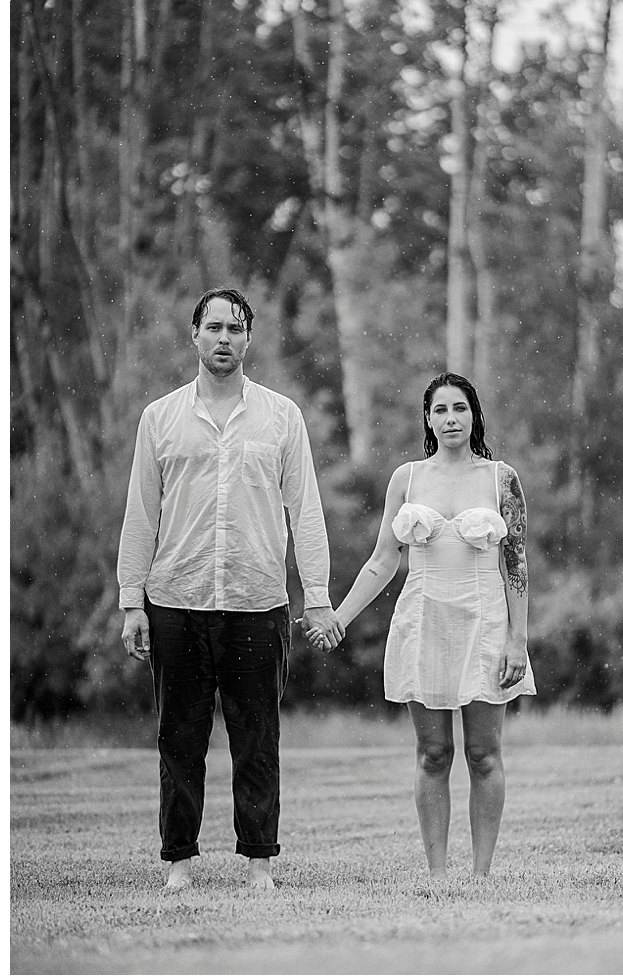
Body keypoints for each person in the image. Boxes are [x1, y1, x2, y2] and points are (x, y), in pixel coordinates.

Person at [117, 287, 340, 892]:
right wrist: (132, 600)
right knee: (179, 738)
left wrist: (316, 593)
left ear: (249, 338)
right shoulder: (160, 419)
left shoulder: (282, 417)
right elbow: (141, 513)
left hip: (256, 601)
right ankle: (179, 865)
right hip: (175, 599)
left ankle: (259, 864)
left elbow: (307, 511)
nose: (224, 338)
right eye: (213, 327)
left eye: (235, 328)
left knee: (257, 739)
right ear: (195, 335)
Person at [325, 372, 533, 875]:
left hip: (484, 620)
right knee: (433, 753)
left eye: (459, 408)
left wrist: (517, 641)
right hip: (424, 617)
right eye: (440, 410)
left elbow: (517, 564)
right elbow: (381, 561)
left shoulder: (501, 478)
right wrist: (339, 617)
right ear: (428, 419)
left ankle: (480, 875)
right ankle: (437, 874)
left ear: (474, 415)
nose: (450, 419)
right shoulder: (407, 478)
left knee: (483, 753)